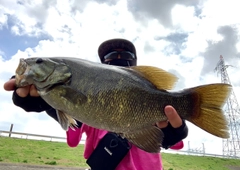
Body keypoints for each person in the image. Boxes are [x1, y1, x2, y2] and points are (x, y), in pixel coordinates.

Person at [4, 38, 188, 170]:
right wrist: (50, 105)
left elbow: (174, 143)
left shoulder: (146, 90)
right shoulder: (88, 99)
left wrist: (174, 133)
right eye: (110, 54)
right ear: (102, 65)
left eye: (126, 54)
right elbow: (74, 133)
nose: (118, 56)